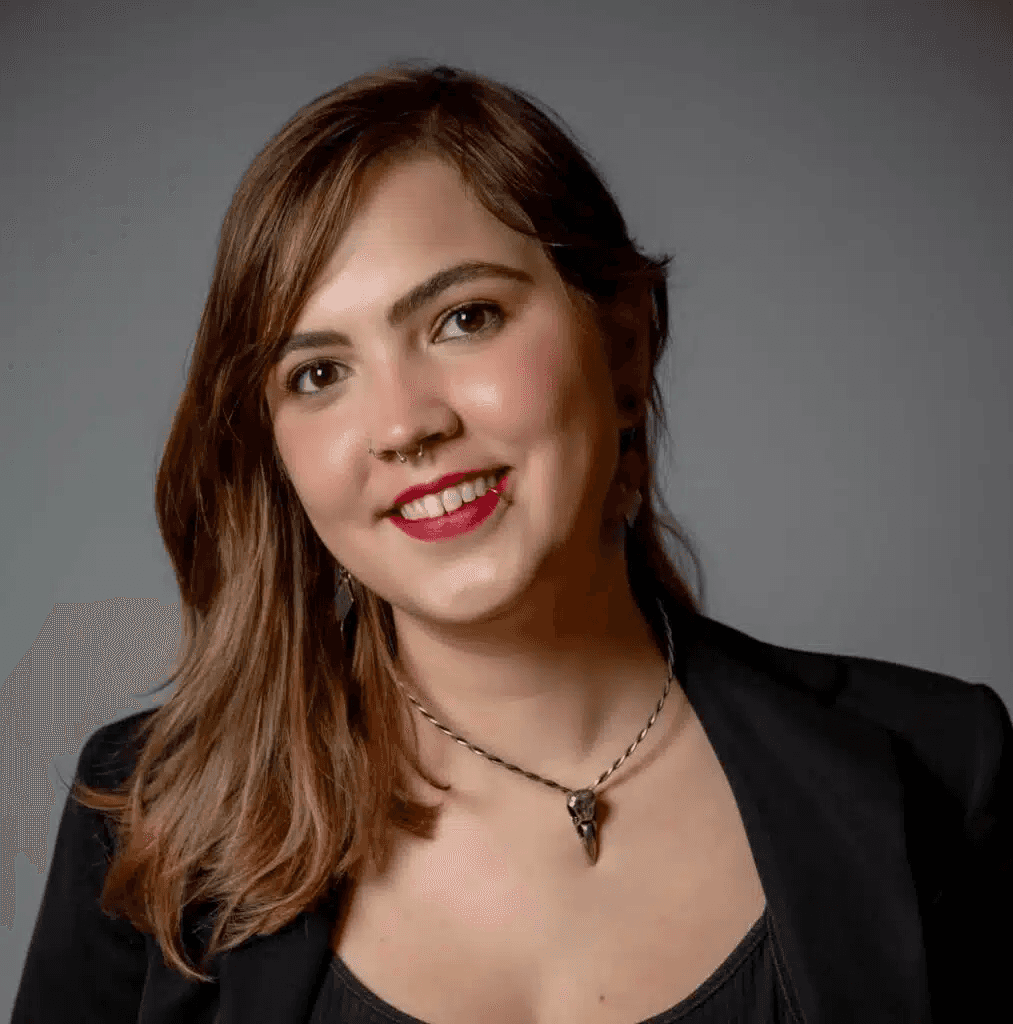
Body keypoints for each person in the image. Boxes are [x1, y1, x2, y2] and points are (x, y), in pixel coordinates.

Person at [12, 62, 1010, 1024]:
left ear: (620, 347)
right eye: (318, 373)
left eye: (463, 318)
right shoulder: (153, 816)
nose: (403, 424)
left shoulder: (937, 767)